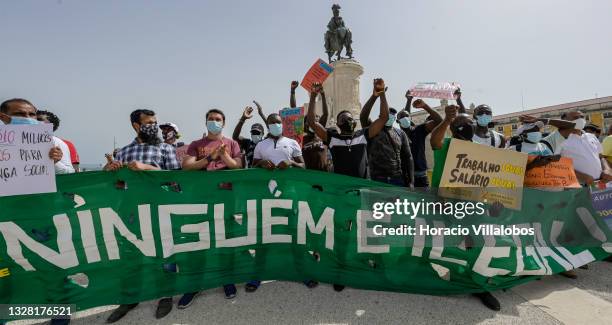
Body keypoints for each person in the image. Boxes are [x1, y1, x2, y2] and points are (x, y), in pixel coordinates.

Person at [307, 79, 389, 292]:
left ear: (354, 122)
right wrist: (314, 96)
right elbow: (312, 123)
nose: (346, 118)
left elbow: (383, 118)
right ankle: (341, 270)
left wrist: (381, 95)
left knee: (367, 231)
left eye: (349, 117)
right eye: (343, 117)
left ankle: (369, 266)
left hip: (363, 193)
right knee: (342, 233)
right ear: (338, 121)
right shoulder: (331, 137)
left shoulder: (364, 135)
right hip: (341, 195)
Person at [103, 109, 180, 323]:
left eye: (155, 122)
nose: (154, 127)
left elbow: (176, 180)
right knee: (131, 254)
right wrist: (111, 170)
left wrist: (146, 168)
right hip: (130, 211)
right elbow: (117, 185)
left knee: (164, 252)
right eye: (149, 123)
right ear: (136, 126)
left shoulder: (166, 149)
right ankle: (130, 298)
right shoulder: (123, 152)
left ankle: (166, 295)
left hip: (159, 208)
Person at [429, 104, 501, 311]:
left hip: (475, 207)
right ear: (453, 128)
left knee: (475, 245)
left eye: (469, 122)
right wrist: (446, 120)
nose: (466, 126)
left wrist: (496, 203)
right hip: (446, 205)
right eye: (461, 124)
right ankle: (448, 278)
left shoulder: (481, 151)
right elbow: (434, 141)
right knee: (448, 245)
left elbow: (493, 180)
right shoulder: (448, 145)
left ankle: (478, 285)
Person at [178, 108, 243, 307]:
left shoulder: (232, 144)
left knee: (225, 240)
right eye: (210, 119)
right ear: (205, 122)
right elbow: (186, 166)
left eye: (218, 119)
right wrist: (209, 158)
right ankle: (195, 283)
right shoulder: (196, 144)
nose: (214, 122)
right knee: (198, 242)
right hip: (201, 199)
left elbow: (237, 167)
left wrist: (223, 156)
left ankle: (226, 279)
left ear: (224, 123)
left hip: (225, 199)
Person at [0, 99, 73, 174]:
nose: (27, 118)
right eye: (20, 114)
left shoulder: (53, 142)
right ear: (3, 117)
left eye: (32, 114)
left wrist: (53, 162)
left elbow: (69, 173)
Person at [360, 92, 414, 186]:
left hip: (397, 178)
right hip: (376, 178)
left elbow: (408, 157)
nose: (390, 115)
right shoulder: (373, 129)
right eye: (388, 113)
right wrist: (375, 96)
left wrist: (411, 180)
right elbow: (363, 116)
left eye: (393, 113)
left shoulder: (401, 133)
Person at [396, 92, 443, 188]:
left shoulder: (419, 130)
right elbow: (406, 114)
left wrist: (425, 106)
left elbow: (439, 121)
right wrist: (408, 101)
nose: (405, 119)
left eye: (407, 117)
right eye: (402, 118)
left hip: (420, 175)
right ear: (398, 122)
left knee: (424, 201)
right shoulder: (396, 135)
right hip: (404, 175)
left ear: (411, 118)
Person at [559, 111, 612, 186]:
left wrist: (607, 169)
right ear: (565, 121)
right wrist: (582, 176)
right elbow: (558, 165)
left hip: (601, 183)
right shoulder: (560, 140)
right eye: (576, 118)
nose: (580, 119)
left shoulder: (591, 136)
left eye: (582, 117)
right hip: (578, 185)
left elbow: (601, 157)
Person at [302, 81, 330, 171]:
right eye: (313, 121)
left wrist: (322, 94)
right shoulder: (301, 140)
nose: (316, 122)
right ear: (306, 125)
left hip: (324, 176)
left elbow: (325, 114)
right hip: (309, 177)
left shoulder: (321, 135)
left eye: (317, 121)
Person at [232, 102, 267, 168]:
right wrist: (243, 118)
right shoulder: (248, 143)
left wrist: (261, 114)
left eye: (257, 133)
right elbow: (235, 137)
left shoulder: (266, 142)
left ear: (262, 134)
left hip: (265, 172)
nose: (255, 134)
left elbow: (270, 129)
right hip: (252, 173)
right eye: (253, 133)